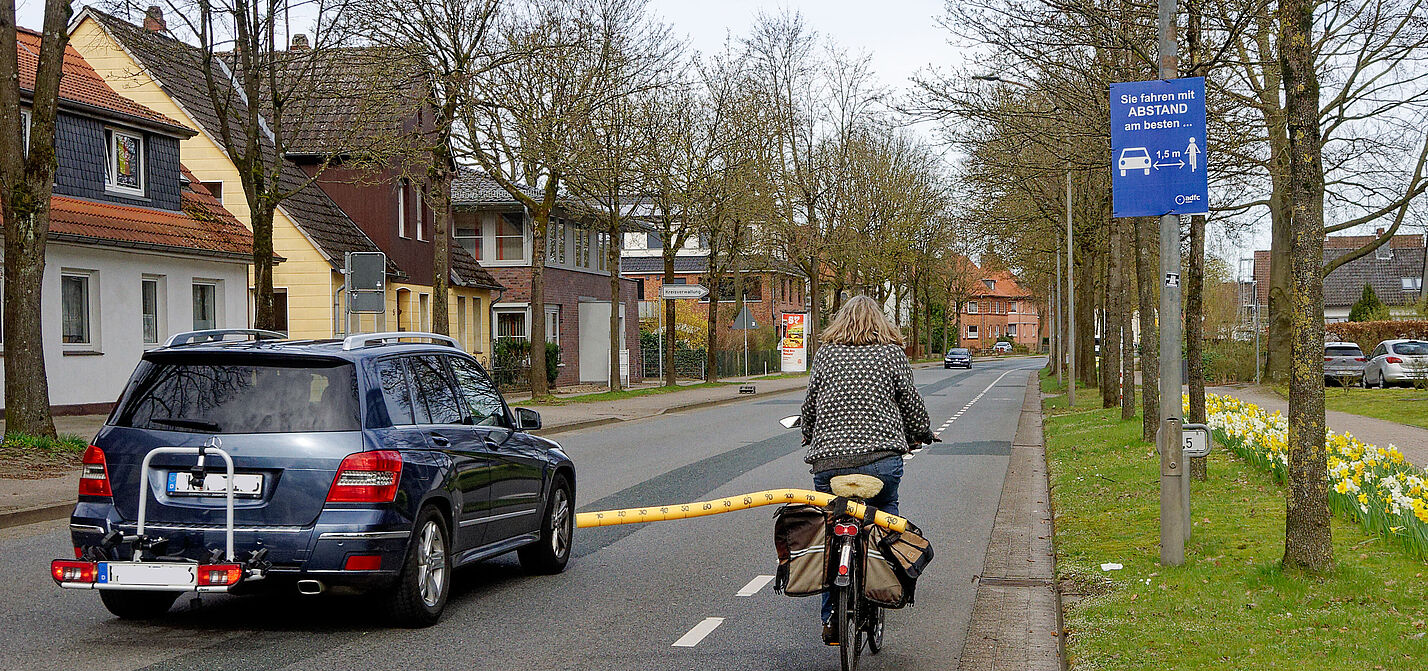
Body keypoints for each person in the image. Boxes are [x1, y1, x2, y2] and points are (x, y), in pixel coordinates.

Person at [799, 295, 936, 645]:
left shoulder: (826, 354)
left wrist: (808, 435)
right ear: (881, 322)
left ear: (839, 322)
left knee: (831, 529)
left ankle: (830, 616)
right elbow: (911, 403)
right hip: (882, 461)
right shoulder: (891, 353)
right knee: (885, 514)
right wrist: (921, 433)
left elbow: (810, 404)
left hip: (830, 464)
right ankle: (884, 585)